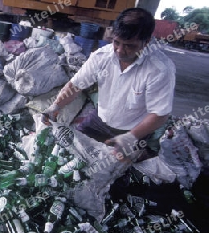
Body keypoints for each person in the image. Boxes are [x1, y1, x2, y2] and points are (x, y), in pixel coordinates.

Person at [42, 7, 176, 162]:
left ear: (146, 43)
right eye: (116, 42)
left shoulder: (159, 69)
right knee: (68, 151)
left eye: (129, 45)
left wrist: (131, 137)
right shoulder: (102, 56)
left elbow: (160, 114)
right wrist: (55, 107)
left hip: (134, 130)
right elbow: (76, 85)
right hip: (99, 120)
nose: (119, 51)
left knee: (115, 172)